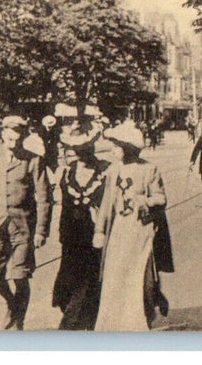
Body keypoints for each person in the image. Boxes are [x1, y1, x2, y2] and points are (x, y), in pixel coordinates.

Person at [92, 120, 173, 330]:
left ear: (127, 148)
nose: (112, 149)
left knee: (138, 274)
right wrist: (100, 231)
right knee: (115, 273)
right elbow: (107, 203)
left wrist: (144, 201)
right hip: (119, 229)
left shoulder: (149, 169)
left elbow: (160, 198)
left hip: (140, 231)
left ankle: (139, 317)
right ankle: (115, 320)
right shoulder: (114, 170)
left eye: (116, 146)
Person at [0, 115, 51, 330]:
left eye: (18, 138)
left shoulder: (34, 160)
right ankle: (12, 303)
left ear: (23, 137)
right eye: (10, 137)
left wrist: (41, 231)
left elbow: (44, 198)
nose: (13, 142)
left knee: (20, 275)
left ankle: (19, 322)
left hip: (23, 227)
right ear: (3, 134)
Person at [51, 118, 110, 330]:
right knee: (66, 283)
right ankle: (77, 316)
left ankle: (72, 325)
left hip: (95, 234)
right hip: (71, 234)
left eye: (85, 148)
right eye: (76, 149)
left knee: (88, 280)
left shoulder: (106, 171)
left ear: (92, 147)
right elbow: (63, 203)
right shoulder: (67, 172)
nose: (80, 153)